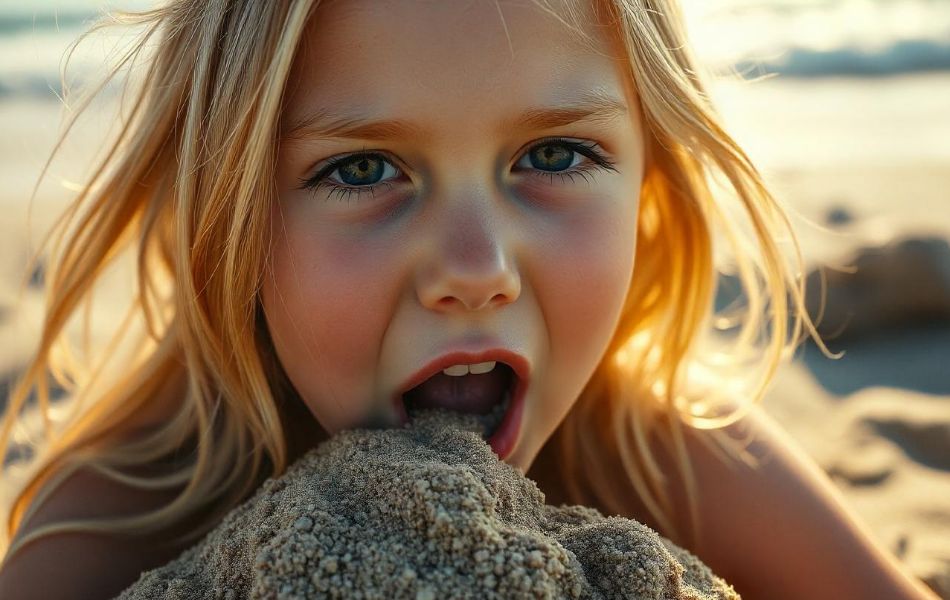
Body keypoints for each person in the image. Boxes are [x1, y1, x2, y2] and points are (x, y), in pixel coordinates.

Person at [0, 1, 939, 599]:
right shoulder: (121, 512)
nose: (477, 267)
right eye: (362, 169)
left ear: (650, 189)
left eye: (554, 155)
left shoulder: (660, 452)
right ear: (226, 225)